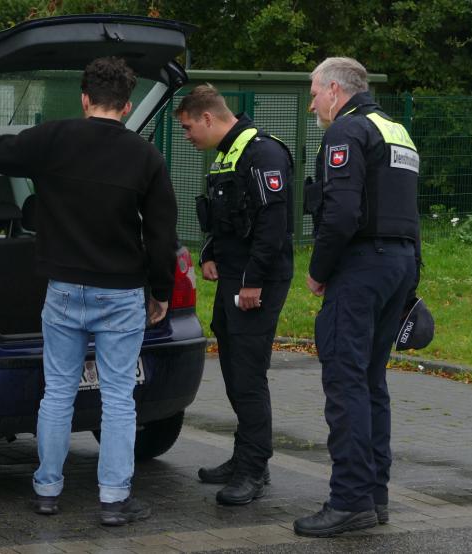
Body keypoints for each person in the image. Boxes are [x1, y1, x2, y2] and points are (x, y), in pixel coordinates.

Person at [0, 57, 178, 526]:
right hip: (120, 294)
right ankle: (114, 500)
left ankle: (46, 491)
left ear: (84, 98)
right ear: (127, 103)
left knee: (57, 392)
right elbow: (162, 235)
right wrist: (160, 292)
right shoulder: (146, 158)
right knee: (119, 397)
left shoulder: (53, 138)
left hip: (63, 291)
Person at [294, 57, 421, 537]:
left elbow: (342, 212)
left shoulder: (346, 132)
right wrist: (411, 278)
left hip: (362, 266)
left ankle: (349, 501)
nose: (311, 106)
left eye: (312, 94)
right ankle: (374, 495)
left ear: (333, 89)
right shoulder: (396, 130)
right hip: (400, 263)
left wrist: (318, 270)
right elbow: (407, 208)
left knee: (346, 383)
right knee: (371, 382)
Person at [175, 85, 294, 505]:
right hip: (234, 278)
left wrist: (252, 282)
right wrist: (210, 253)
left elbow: (272, 224)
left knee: (247, 375)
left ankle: (254, 468)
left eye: (189, 127)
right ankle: (244, 454)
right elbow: (223, 215)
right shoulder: (228, 154)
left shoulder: (262, 153)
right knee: (233, 370)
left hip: (256, 281)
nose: (188, 136)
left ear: (208, 117)